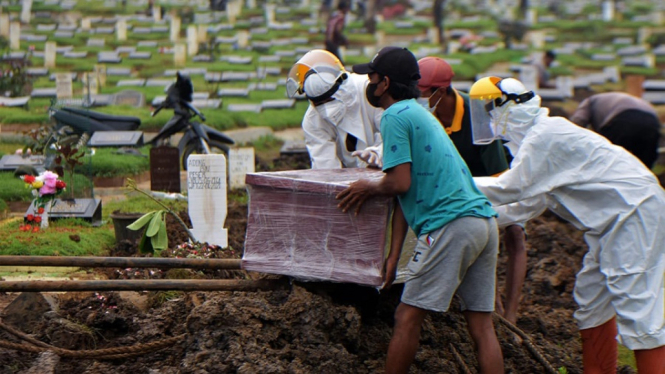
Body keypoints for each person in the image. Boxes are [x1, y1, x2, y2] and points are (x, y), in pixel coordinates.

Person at [468, 76, 665, 374]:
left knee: (639, 310)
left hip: (634, 214)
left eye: (489, 109)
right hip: (612, 223)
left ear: (508, 107)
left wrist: (444, 183)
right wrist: (472, 214)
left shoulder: (546, 135)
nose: (487, 119)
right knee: (591, 301)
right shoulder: (533, 143)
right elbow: (528, 203)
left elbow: (511, 188)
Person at [337, 46, 504, 374]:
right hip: (483, 223)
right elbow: (406, 191)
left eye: (371, 77)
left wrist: (366, 187)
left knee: (406, 316)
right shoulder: (421, 114)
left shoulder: (395, 116)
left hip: (451, 225)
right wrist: (394, 255)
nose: (368, 83)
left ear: (384, 83)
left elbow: (396, 182)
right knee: (482, 327)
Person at [417, 56, 527, 324]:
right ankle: (487, 301)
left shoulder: (476, 112)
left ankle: (510, 313)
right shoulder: (421, 116)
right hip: (450, 186)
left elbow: (498, 174)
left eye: (421, 93)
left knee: (514, 234)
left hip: (490, 179)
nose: (416, 98)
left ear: (440, 92)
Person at [286, 49, 383, 169]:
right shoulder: (312, 121)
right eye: (319, 104)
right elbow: (326, 168)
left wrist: (378, 152)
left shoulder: (369, 92)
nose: (326, 110)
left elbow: (395, 135)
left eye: (329, 101)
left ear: (341, 87)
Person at [569, 91, 662, 169]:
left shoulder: (589, 101)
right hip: (652, 123)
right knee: (644, 167)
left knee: (606, 161)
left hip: (623, 119)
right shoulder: (611, 99)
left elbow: (577, 122)